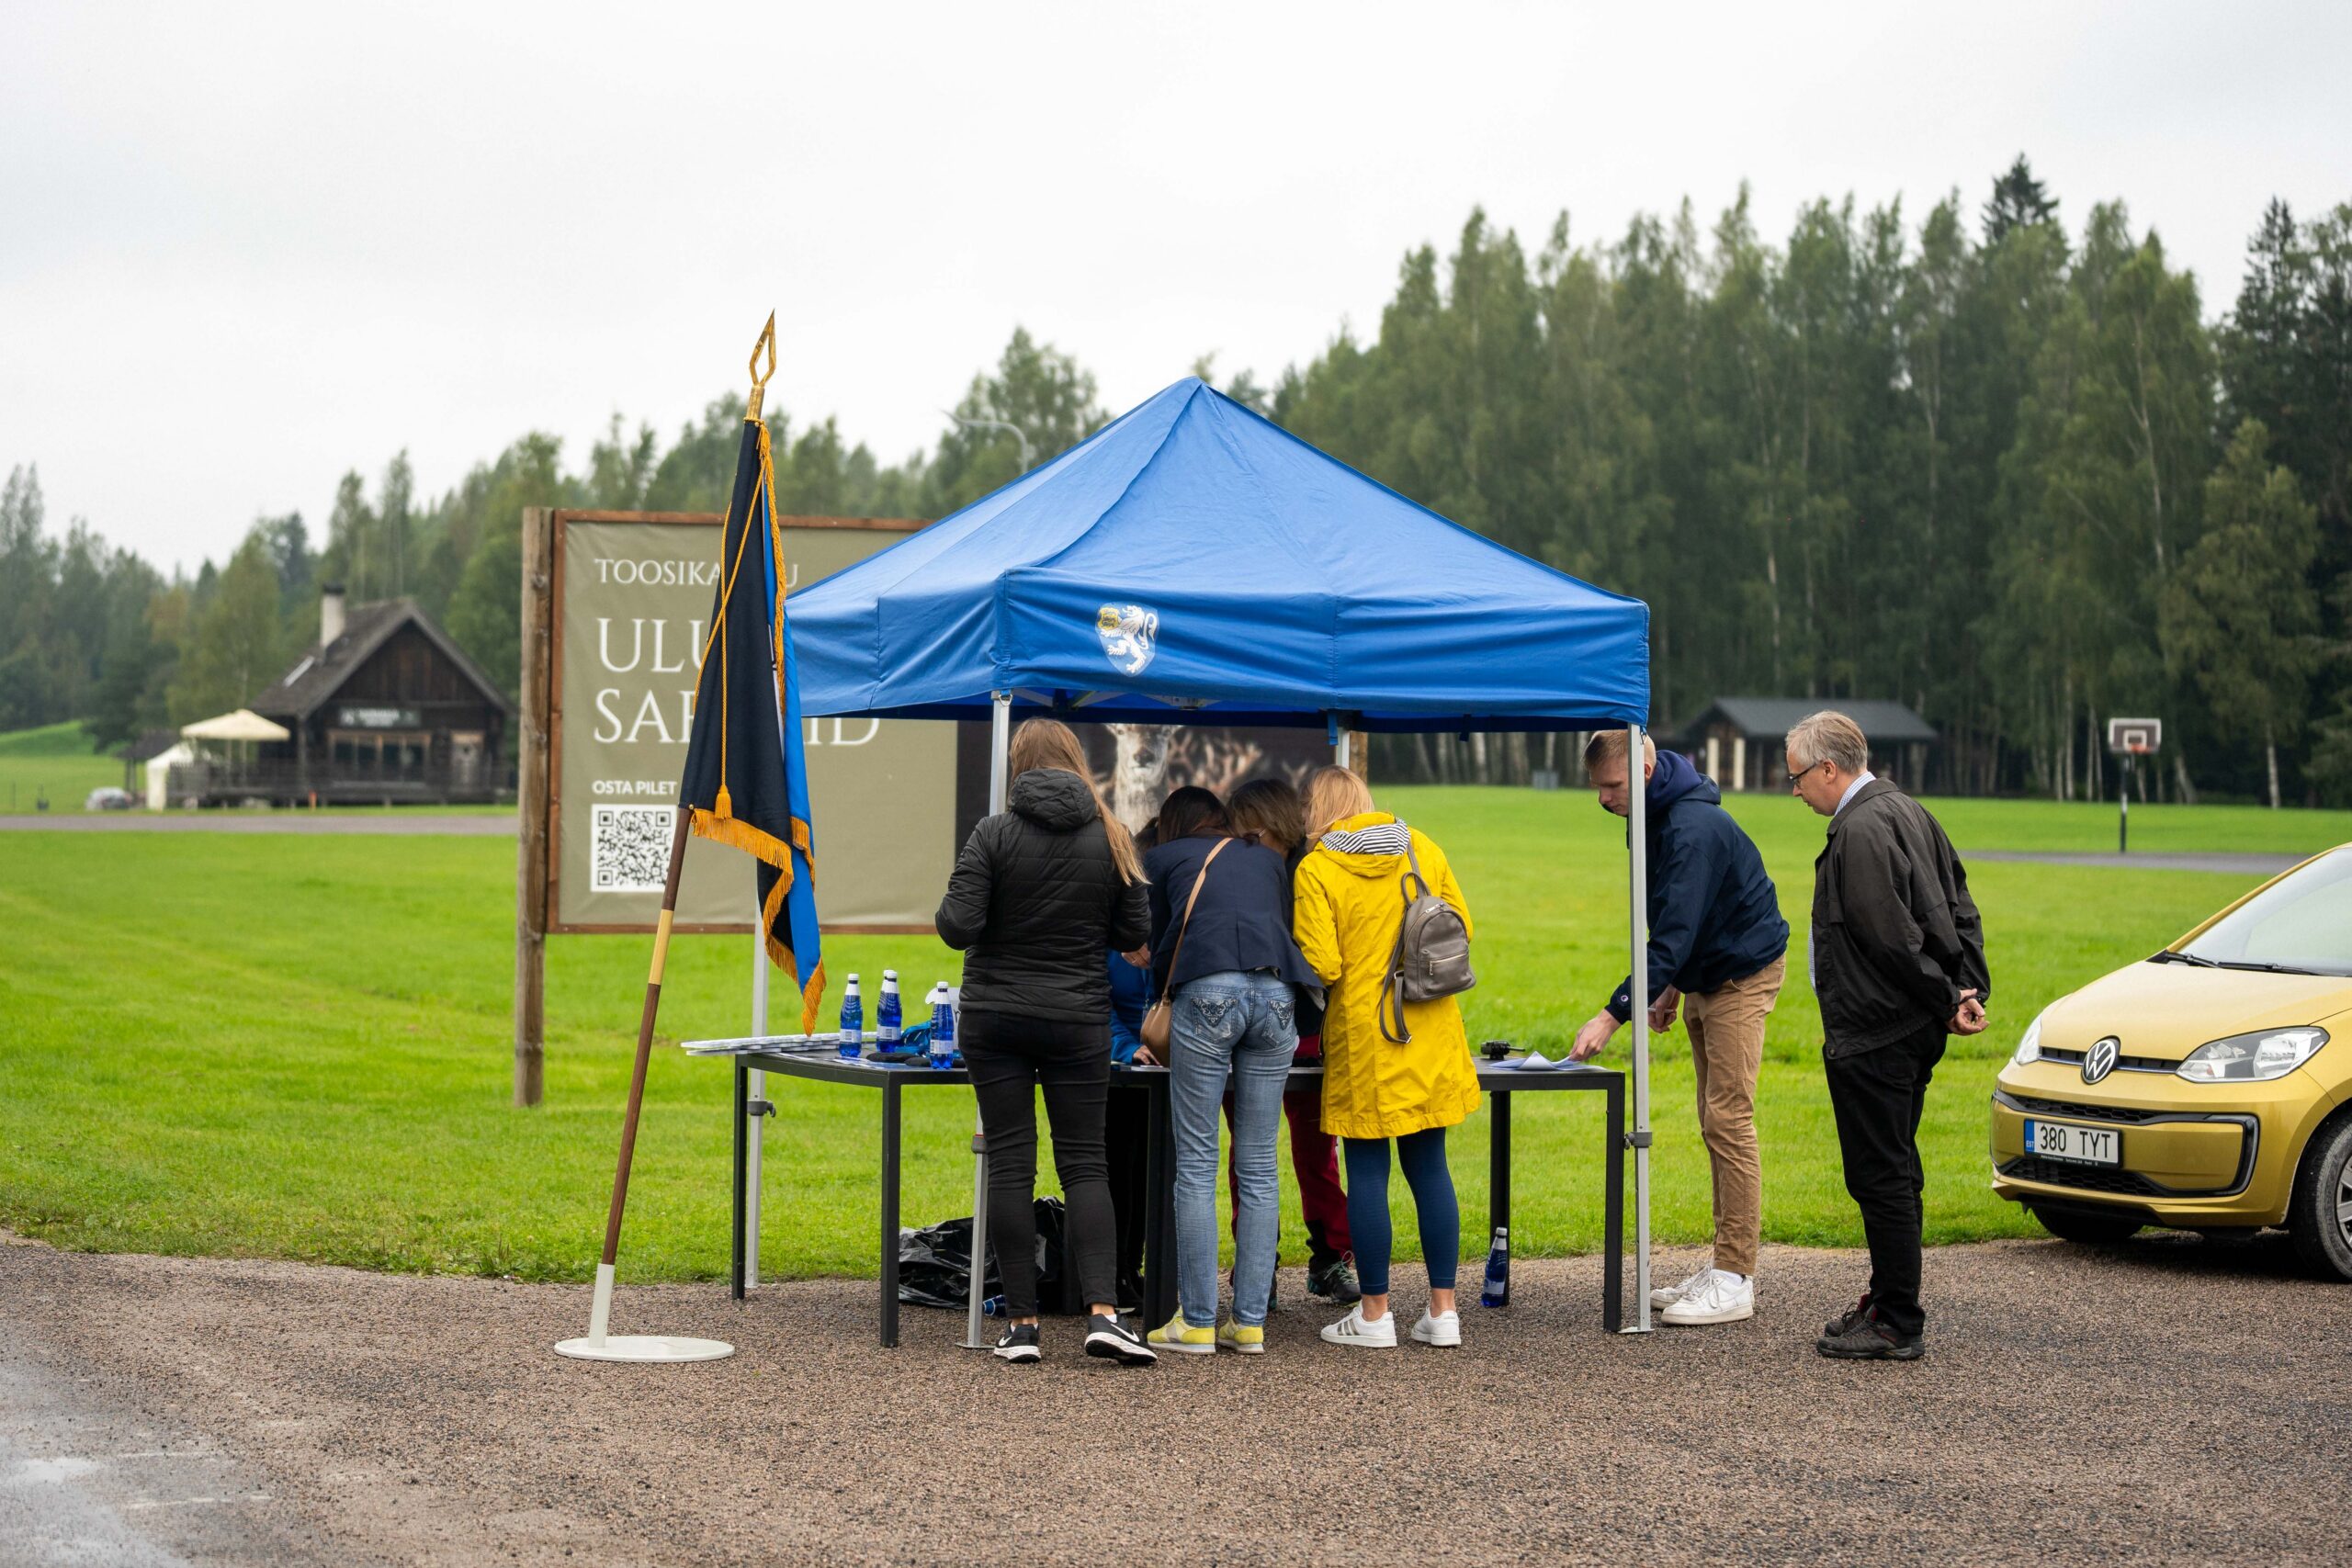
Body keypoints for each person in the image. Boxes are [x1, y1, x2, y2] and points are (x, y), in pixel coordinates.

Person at [934, 717, 1157, 1366]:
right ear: (1075, 759)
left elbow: (957, 926)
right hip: (1078, 1019)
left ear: (1019, 765)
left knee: (1010, 1162)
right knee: (1085, 1163)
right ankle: (1104, 1314)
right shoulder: (1112, 835)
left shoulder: (992, 833)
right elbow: (1133, 932)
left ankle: (1022, 1325)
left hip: (995, 1016)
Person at [1788, 710, 1989, 1362]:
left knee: (1882, 1175)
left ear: (1828, 768)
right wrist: (1965, 987)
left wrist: (1946, 993)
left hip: (1877, 1029)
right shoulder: (1909, 811)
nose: (1795, 791)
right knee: (1895, 1168)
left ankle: (1898, 1318)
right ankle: (1885, 1299)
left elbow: (1890, 938)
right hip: (1910, 1023)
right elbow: (1960, 905)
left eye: (1797, 777)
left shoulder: (1862, 828)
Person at [1568, 732, 1788, 1326]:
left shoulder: (1691, 828)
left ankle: (1735, 1277)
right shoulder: (1648, 813)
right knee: (1713, 1117)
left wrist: (1613, 1013)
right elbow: (1671, 915)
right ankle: (1722, 1266)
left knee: (1728, 1118)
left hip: (1741, 973)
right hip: (1705, 970)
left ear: (1645, 772)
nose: (1603, 798)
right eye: (1597, 787)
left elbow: (1673, 933)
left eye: (1612, 785)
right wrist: (1669, 986)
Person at [1293, 765, 1477, 1349]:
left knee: (1368, 1171)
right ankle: (1443, 1311)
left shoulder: (1317, 868)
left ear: (1318, 811)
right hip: (1430, 1027)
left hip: (1365, 1037)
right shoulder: (1422, 846)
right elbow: (1462, 929)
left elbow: (1322, 964)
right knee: (1431, 1167)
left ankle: (1375, 1315)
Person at [1141, 786, 1320, 1356]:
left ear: (1173, 825)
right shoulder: (1266, 859)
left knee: (1197, 1162)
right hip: (1277, 997)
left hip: (1207, 993)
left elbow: (1158, 944)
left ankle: (1196, 1320)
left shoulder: (1162, 858)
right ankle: (1248, 1323)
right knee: (1260, 1163)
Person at [1224, 776, 1359, 1305]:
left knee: (1316, 1151)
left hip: (1305, 1030)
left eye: (1247, 829)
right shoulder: (1238, 867)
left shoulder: (1311, 869)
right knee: (1249, 1152)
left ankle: (1330, 1257)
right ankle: (1258, 1267)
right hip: (1249, 1029)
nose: (1242, 839)